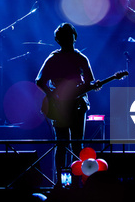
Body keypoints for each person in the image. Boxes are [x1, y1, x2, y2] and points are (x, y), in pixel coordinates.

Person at [35, 23, 100, 182]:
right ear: (59, 40)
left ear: (74, 37)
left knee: (76, 144)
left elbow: (90, 82)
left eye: (70, 37)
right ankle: (62, 182)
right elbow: (39, 81)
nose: (69, 41)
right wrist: (54, 97)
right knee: (63, 144)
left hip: (78, 105)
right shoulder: (54, 58)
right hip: (60, 107)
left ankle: (77, 182)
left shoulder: (80, 58)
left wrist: (93, 86)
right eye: (65, 38)